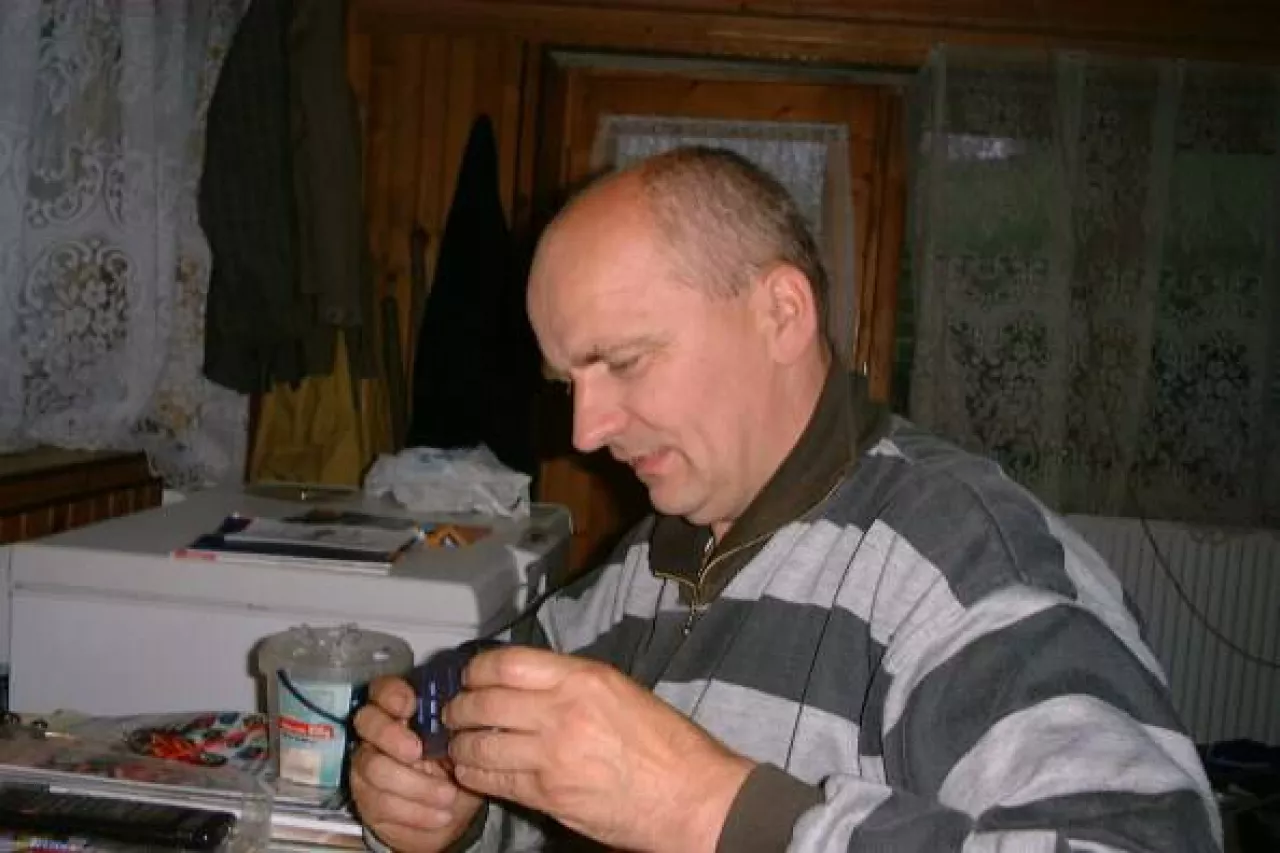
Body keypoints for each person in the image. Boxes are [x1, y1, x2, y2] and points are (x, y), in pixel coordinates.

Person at [350, 146, 1222, 852]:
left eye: (624, 360)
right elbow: (531, 787)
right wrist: (453, 803)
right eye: (567, 381)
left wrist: (709, 808)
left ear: (782, 313)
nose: (585, 430)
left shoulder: (964, 558)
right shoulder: (655, 557)